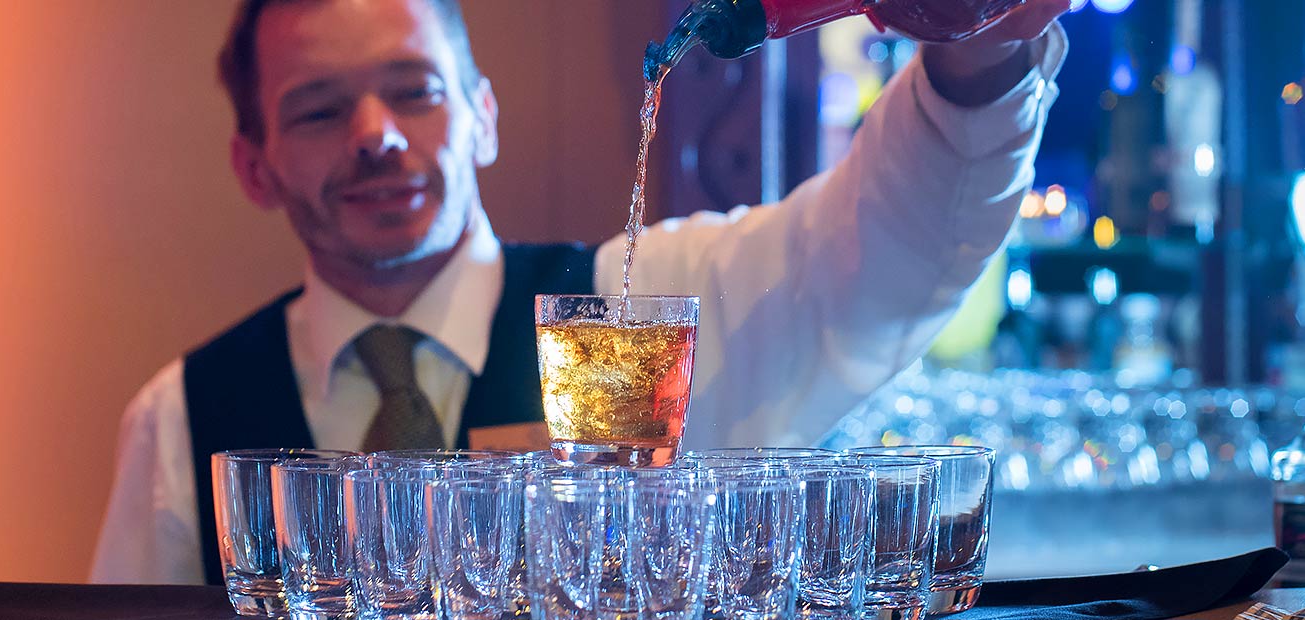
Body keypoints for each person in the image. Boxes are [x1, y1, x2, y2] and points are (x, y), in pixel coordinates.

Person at [92, 0, 1071, 585]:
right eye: (317, 109)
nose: (377, 134)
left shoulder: (641, 315)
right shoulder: (180, 416)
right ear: (253, 166)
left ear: (483, 117)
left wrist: (979, 43)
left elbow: (894, 247)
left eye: (417, 90)